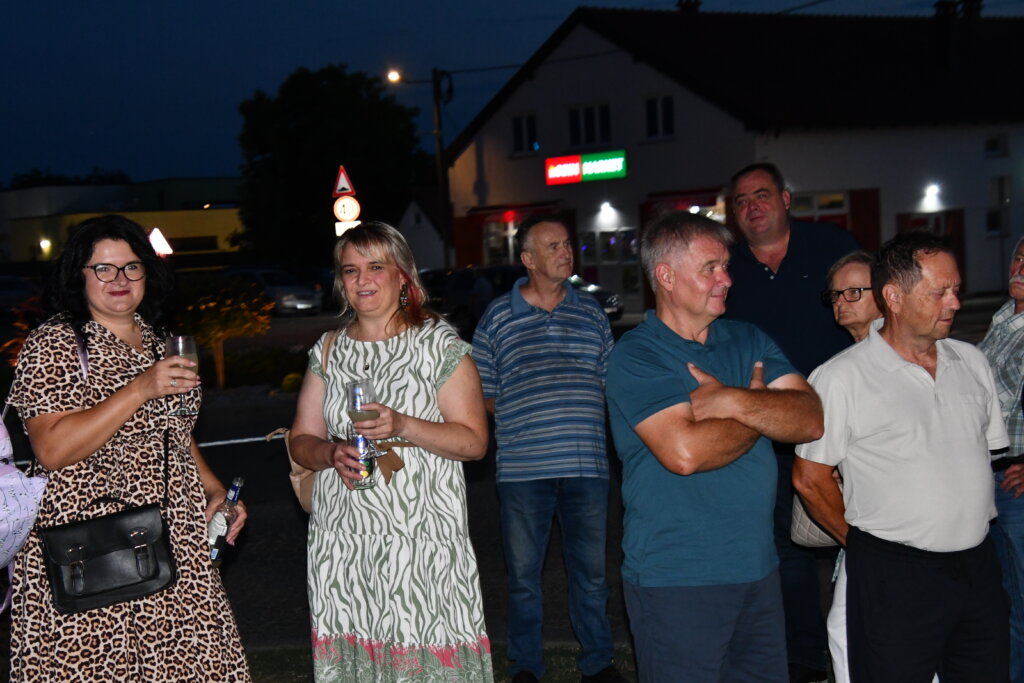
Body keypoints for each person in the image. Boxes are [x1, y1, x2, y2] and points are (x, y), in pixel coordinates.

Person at [6, 214, 250, 681]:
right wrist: (139, 388)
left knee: (188, 663)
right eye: (103, 268)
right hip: (94, 541)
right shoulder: (55, 343)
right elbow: (52, 449)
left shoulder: (160, 342)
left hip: (174, 536)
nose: (119, 279)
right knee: (104, 665)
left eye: (131, 267)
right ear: (79, 275)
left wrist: (214, 490)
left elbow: (175, 431)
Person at [605, 210, 823, 682]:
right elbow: (685, 453)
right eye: (710, 268)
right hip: (677, 580)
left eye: (725, 266)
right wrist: (762, 408)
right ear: (666, 276)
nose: (726, 279)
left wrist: (730, 400)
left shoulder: (748, 338)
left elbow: (809, 419)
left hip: (759, 571)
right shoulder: (637, 355)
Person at [794, 231, 1010, 682]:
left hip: (977, 566)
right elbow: (809, 478)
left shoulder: (971, 361)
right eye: (939, 292)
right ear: (893, 297)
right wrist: (863, 548)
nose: (954, 303)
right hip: (894, 572)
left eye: (956, 290)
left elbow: (985, 457)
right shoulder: (841, 378)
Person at [289, 221, 493, 682]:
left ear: (403, 275)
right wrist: (331, 453)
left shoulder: (438, 345)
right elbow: (301, 440)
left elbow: (475, 442)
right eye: (350, 270)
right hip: (343, 538)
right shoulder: (330, 350)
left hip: (419, 536)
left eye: (375, 267)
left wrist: (403, 425)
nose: (362, 279)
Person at [472, 216, 622, 683]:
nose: (566, 251)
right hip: (523, 470)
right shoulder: (498, 315)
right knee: (523, 578)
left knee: (592, 575)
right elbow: (480, 391)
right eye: (553, 246)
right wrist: (522, 412)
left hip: (587, 467)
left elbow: (610, 382)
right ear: (528, 259)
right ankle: (525, 667)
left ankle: (598, 663)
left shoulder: (591, 313)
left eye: (567, 244)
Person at [725, 162, 859, 683]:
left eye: (761, 195)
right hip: (771, 430)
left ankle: (873, 632)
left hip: (846, 421)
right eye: (741, 201)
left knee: (866, 525)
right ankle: (805, 654)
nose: (752, 207)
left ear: (785, 199)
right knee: (787, 543)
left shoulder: (831, 247)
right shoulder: (728, 268)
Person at [816, 250, 882, 683]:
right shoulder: (850, 362)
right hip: (867, 526)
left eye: (854, 291)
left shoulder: (896, 358)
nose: (842, 301)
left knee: (854, 631)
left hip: (898, 531)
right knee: (848, 631)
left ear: (888, 293)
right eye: (836, 294)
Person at [979, 235, 1024, 682]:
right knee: (1006, 602)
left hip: (1017, 485)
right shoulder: (1005, 318)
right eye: (1019, 257)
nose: (1019, 268)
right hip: (993, 479)